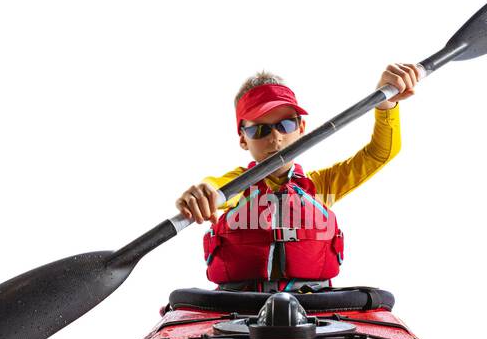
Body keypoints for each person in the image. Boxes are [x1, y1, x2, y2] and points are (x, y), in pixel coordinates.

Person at [175, 64, 422, 291]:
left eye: (286, 125)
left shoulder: (321, 186)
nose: (276, 137)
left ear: (301, 129)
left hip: (311, 307)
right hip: (237, 307)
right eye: (260, 129)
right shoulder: (234, 186)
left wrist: (386, 105)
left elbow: (379, 153)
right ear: (243, 138)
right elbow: (213, 188)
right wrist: (201, 194)